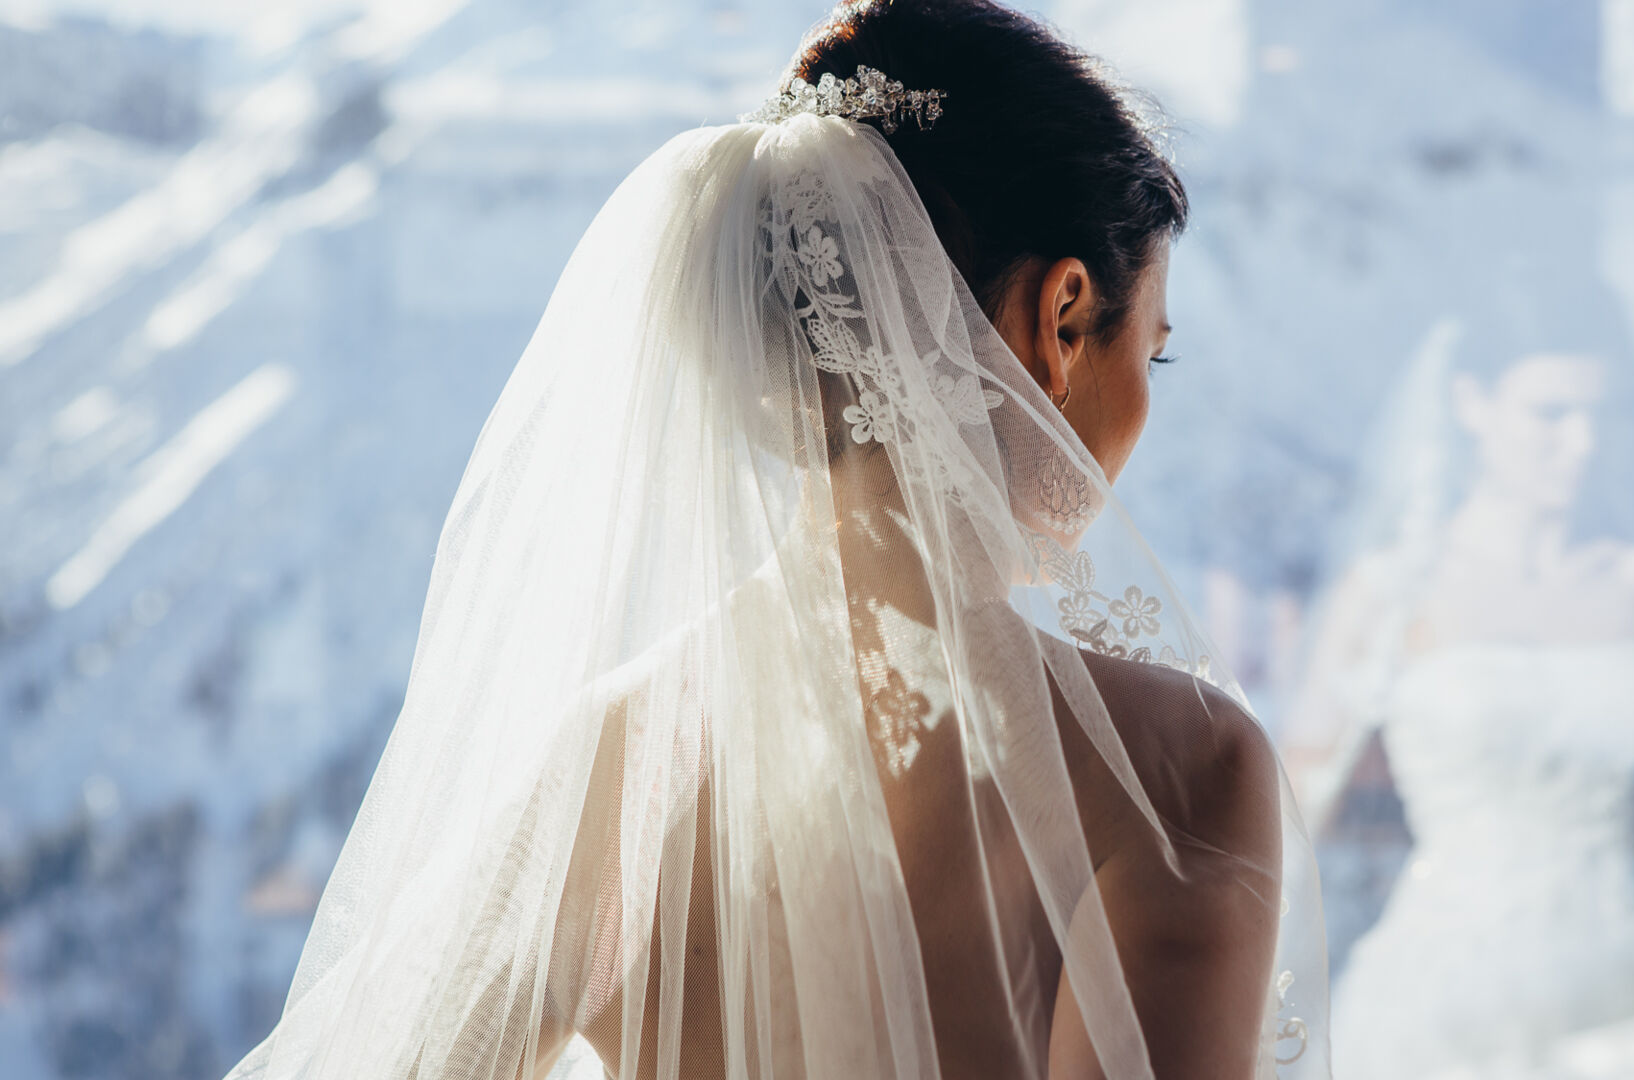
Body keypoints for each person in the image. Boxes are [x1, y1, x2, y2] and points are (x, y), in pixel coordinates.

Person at [218, 2, 1329, 1078]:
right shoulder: (1174, 774)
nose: (1147, 398)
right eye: (1154, 350)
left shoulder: (611, 764)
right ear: (1062, 317)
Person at [1283, 279, 1634, 1077]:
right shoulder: (1391, 596)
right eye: (1551, 414)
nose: (1583, 442)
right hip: (1447, 1000)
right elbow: (1287, 824)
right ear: (1472, 405)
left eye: (1600, 414)